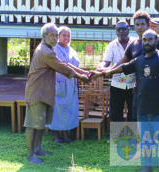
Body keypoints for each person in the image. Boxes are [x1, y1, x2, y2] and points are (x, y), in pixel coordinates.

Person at [93, 29, 159, 172]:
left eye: (150, 39)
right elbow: (122, 68)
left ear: (156, 41)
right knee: (146, 140)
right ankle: (147, 167)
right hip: (142, 109)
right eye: (145, 40)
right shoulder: (139, 60)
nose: (147, 42)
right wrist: (105, 72)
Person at [24, 23, 90, 164]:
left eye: (56, 35)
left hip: (45, 92)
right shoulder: (45, 52)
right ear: (44, 36)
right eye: (53, 35)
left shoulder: (49, 49)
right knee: (33, 124)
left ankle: (38, 149)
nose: (55, 38)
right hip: (37, 93)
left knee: (40, 124)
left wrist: (83, 73)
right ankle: (31, 155)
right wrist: (82, 77)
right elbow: (62, 68)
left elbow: (64, 64)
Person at [107, 11, 159, 121]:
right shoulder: (134, 44)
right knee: (135, 119)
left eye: (142, 24)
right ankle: (127, 138)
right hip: (139, 91)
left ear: (148, 25)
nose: (140, 27)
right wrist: (106, 71)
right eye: (137, 24)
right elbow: (123, 62)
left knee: (155, 125)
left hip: (157, 93)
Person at [46, 26, 80, 144]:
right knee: (57, 110)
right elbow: (64, 65)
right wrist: (82, 74)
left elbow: (75, 66)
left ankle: (65, 135)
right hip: (58, 84)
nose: (66, 38)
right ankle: (56, 137)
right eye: (64, 35)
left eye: (68, 35)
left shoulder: (72, 50)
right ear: (59, 36)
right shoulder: (54, 49)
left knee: (67, 109)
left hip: (71, 85)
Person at [97, 21, 135, 121]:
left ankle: (132, 136)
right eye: (119, 30)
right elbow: (106, 62)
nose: (121, 31)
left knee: (134, 113)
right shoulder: (111, 46)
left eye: (124, 29)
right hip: (117, 85)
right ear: (116, 31)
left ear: (129, 29)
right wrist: (100, 67)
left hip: (134, 85)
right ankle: (118, 136)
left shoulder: (136, 43)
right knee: (116, 113)